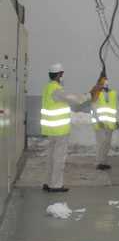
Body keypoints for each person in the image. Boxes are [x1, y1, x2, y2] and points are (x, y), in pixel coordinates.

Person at [41, 63, 97, 193]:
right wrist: (90, 94)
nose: (63, 76)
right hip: (59, 130)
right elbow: (76, 99)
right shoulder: (56, 89)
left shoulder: (48, 87)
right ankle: (56, 185)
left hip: (51, 129)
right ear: (58, 75)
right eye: (62, 74)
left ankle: (48, 182)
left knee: (51, 157)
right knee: (58, 158)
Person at [91, 77, 119, 170]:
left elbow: (117, 108)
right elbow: (94, 109)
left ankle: (104, 162)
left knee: (107, 144)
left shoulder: (113, 93)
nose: (105, 85)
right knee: (101, 143)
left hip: (110, 124)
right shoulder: (96, 94)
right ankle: (99, 162)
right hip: (100, 124)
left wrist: (117, 120)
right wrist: (98, 120)